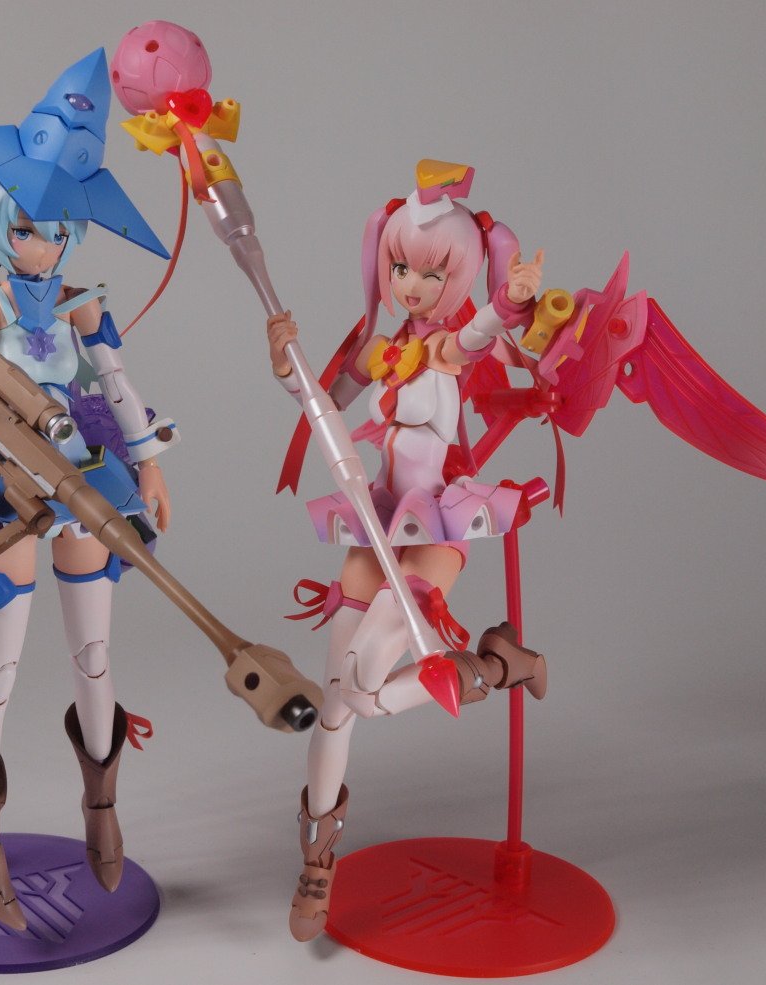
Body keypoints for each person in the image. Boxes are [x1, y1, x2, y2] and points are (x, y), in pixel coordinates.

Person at [0, 49, 176, 931]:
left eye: (56, 228)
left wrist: (150, 461)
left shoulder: (83, 302)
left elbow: (119, 386)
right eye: (26, 227)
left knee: (94, 655)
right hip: (5, 485)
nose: (43, 243)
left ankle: (102, 804)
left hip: (80, 474)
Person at [268, 160, 549, 941]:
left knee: (362, 688)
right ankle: (318, 862)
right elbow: (325, 404)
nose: (412, 284)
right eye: (400, 267)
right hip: (379, 515)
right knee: (335, 706)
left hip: (434, 527)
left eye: (431, 272)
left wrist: (511, 300)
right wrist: (288, 363)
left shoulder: (450, 347)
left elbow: (482, 330)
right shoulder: (383, 349)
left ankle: (492, 666)